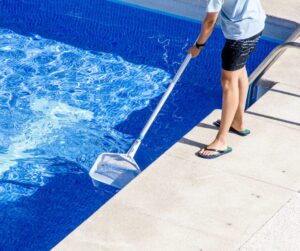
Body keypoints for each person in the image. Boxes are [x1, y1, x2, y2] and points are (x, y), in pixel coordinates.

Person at [189, 0, 266, 159]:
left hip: (241, 34)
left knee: (227, 83)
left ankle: (221, 141)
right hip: (255, 23)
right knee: (240, 70)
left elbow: (210, 21)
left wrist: (198, 45)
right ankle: (238, 122)